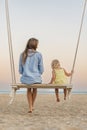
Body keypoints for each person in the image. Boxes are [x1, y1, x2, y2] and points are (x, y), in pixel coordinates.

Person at [19, 38, 44, 113]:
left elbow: (20, 70)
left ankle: (30, 106)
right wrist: (37, 74)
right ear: (35, 45)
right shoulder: (38, 54)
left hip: (26, 78)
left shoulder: (22, 54)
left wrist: (25, 73)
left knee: (29, 89)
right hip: (36, 78)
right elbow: (41, 69)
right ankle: (32, 105)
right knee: (35, 89)